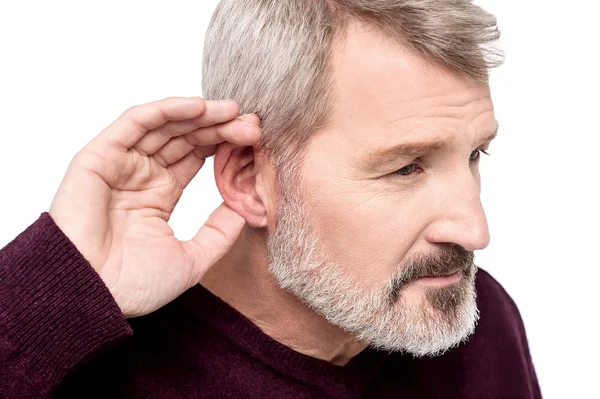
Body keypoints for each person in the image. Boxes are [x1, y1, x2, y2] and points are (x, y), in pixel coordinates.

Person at [0, 0, 542, 398]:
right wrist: (42, 302)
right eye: (405, 167)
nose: (476, 231)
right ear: (248, 178)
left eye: (475, 155)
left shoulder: (474, 318)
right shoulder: (80, 366)